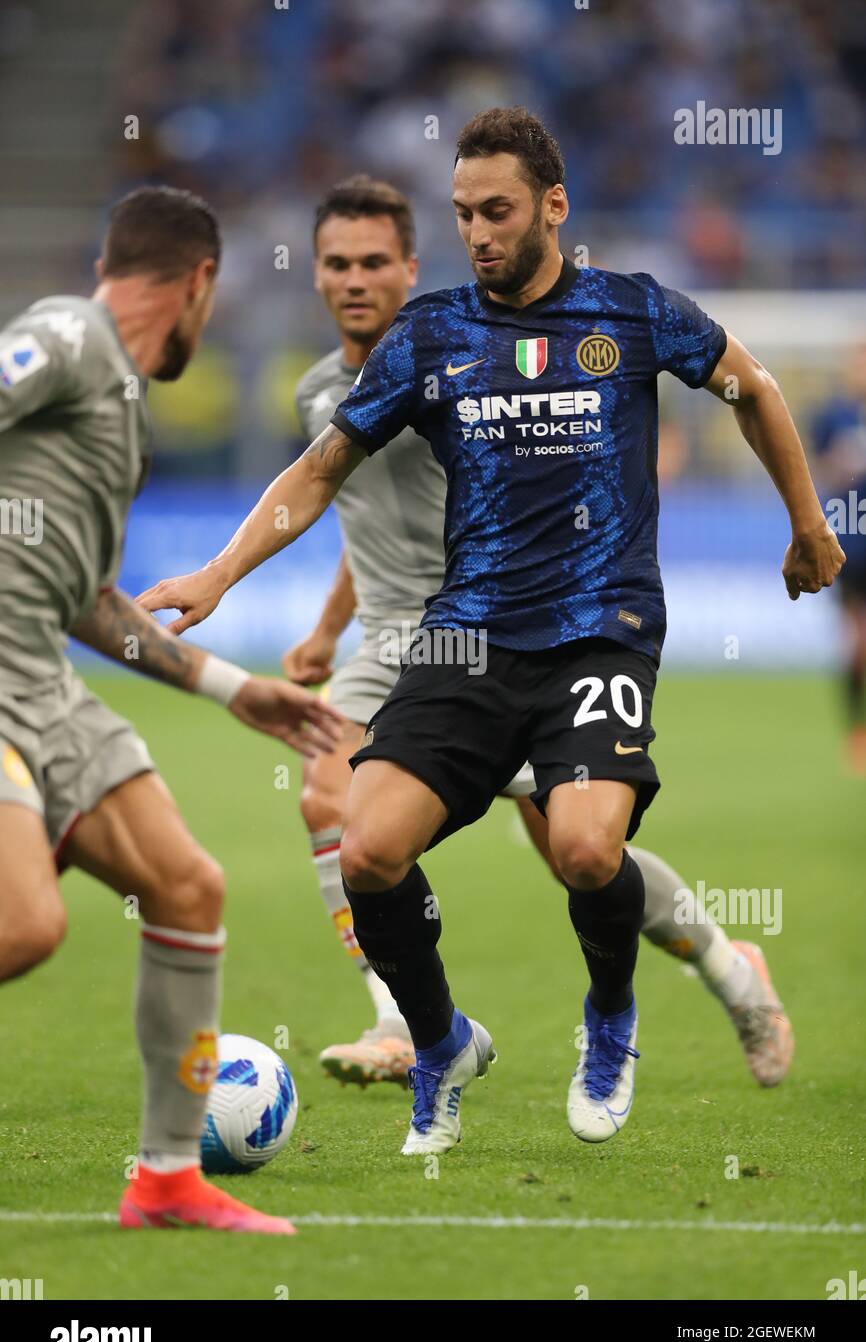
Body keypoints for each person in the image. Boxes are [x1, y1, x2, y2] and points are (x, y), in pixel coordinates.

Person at [138, 109, 843, 1155]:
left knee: (584, 847)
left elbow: (755, 387)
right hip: (462, 639)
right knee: (367, 847)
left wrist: (804, 521)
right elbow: (325, 472)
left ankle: (609, 1016)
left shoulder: (631, 311)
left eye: (496, 211)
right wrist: (220, 572)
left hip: (599, 632)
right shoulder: (430, 338)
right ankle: (436, 1040)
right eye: (463, 212)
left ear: (553, 207)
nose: (478, 232)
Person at [287, 174, 795, 1092]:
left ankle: (729, 967)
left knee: (580, 854)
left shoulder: (461, 354)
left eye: (373, 263)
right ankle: (402, 1020)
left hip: (509, 632)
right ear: (315, 277)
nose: (353, 281)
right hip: (398, 642)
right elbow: (363, 524)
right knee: (330, 798)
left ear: (411, 269)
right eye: (334, 264)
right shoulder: (320, 392)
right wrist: (329, 631)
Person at [0, 186, 342, 1233]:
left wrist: (236, 688)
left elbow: (91, 602)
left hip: (46, 684)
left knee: (187, 887)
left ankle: (165, 1181)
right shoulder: (64, 334)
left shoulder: (120, 409)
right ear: (198, 281)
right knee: (26, 924)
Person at [811, 344, 866, 774]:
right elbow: (821, 471)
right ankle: (856, 730)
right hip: (851, 540)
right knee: (857, 641)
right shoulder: (834, 416)